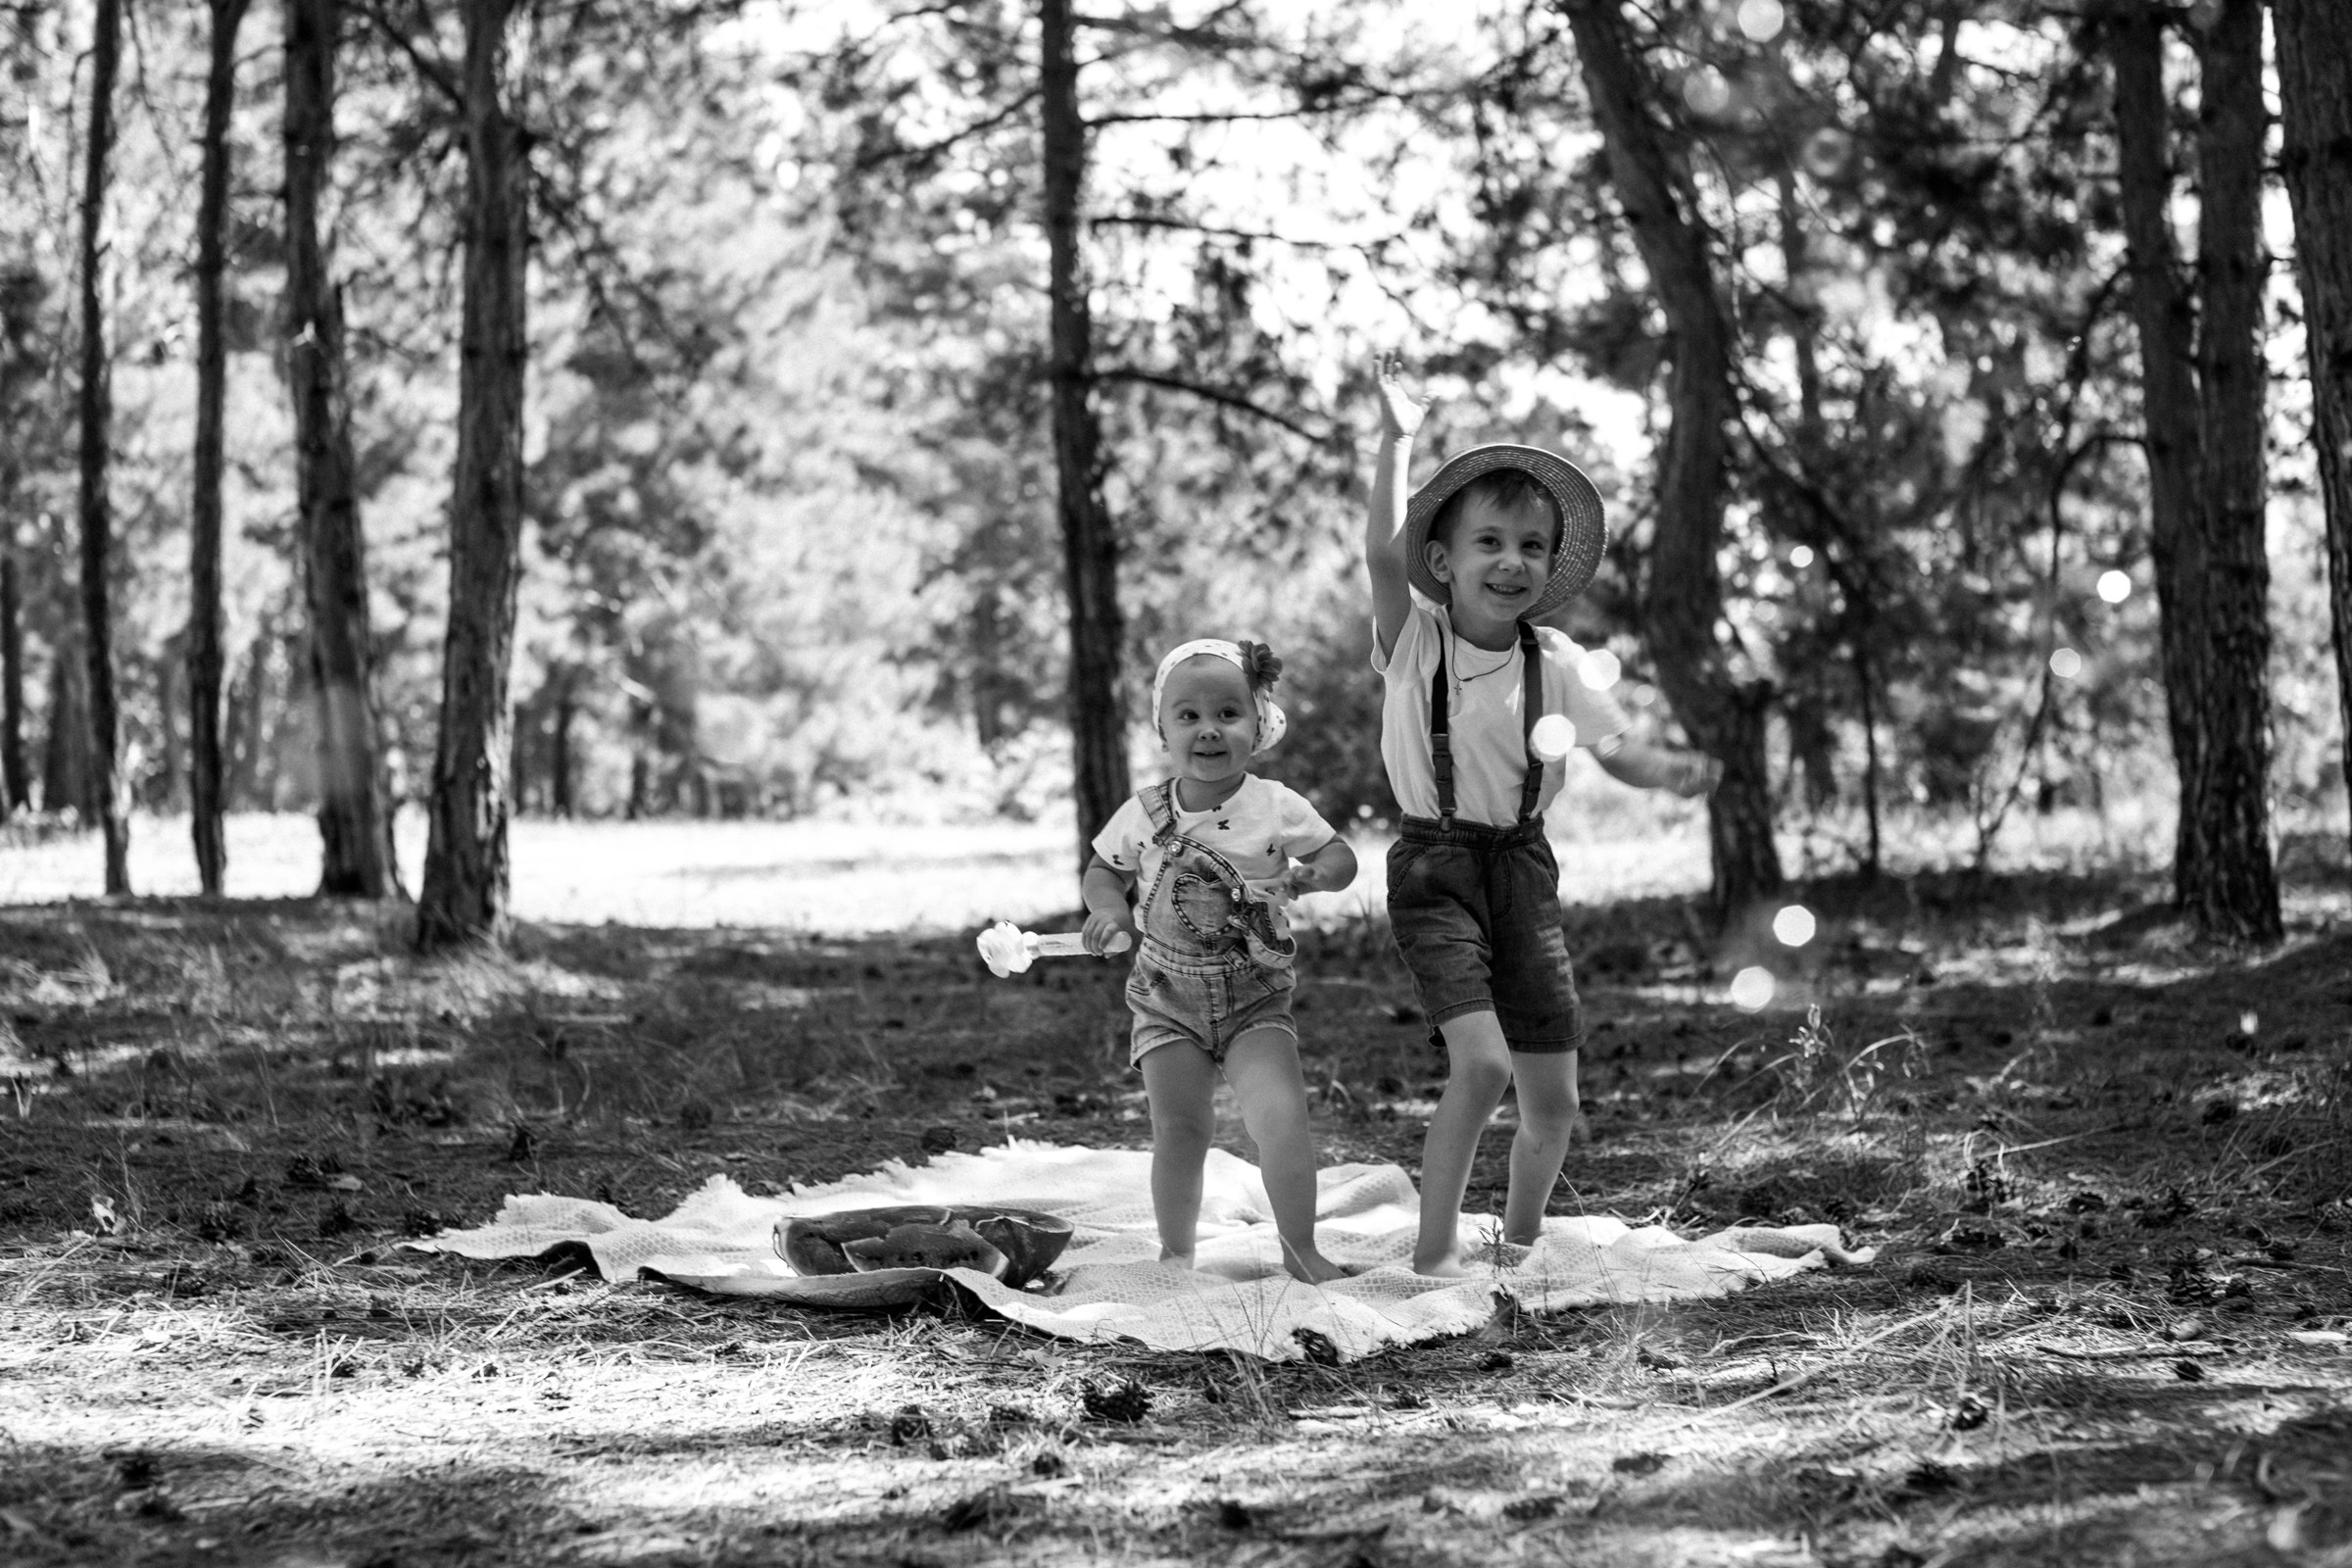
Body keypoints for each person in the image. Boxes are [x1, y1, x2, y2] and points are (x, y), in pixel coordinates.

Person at [1363, 355, 1720, 1277]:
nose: (1512, 561)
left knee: (1553, 1103)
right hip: (1434, 872)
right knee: (1480, 1066)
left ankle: (1517, 1249)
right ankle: (1433, 1257)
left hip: (1524, 873)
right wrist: (1398, 436)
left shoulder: (1556, 658)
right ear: (1441, 561)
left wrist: (1678, 773)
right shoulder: (1416, 641)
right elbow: (1378, 553)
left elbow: (1621, 752)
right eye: (1489, 542)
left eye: (1531, 545)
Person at [1080, 638, 1359, 1284]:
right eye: (1189, 715)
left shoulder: (1274, 804)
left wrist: (1317, 873)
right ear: (1163, 730)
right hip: (1165, 997)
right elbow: (1102, 870)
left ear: (1258, 725)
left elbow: (1340, 853)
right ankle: (1176, 1255)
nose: (1209, 729)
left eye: (1228, 713)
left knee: (1280, 1118)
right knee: (1180, 1128)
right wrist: (1110, 911)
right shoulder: (1145, 813)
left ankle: (1301, 1249)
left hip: (1254, 993)